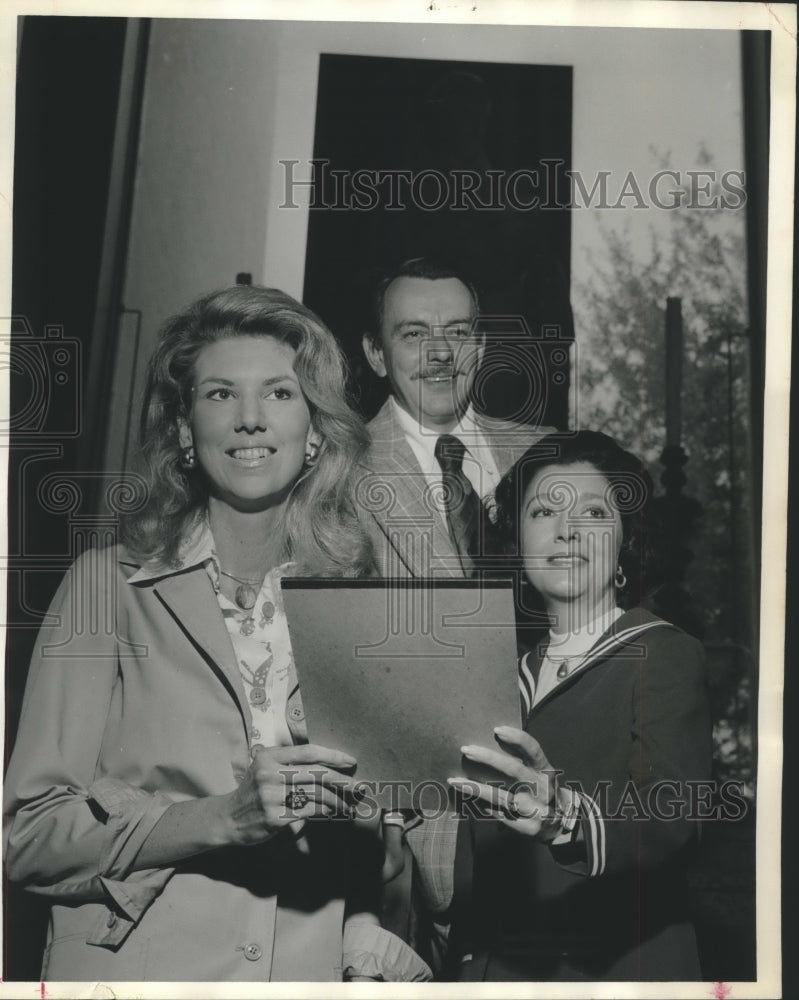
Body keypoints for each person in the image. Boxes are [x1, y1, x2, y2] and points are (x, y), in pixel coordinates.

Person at [3, 286, 430, 983]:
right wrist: (218, 818)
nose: (252, 420)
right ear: (182, 428)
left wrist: (375, 862)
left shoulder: (359, 609)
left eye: (280, 395)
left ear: (316, 429)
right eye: (221, 394)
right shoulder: (106, 586)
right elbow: (29, 838)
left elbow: (389, 864)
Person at [442, 430, 712, 980]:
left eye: (592, 512)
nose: (566, 531)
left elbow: (676, 817)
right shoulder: (495, 674)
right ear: (517, 543)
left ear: (624, 542)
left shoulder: (662, 653)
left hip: (619, 968)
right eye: (543, 511)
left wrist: (567, 818)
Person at [360, 257, 551, 578]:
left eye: (459, 332)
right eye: (413, 334)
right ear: (376, 355)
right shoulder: (339, 470)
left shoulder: (545, 450)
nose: (442, 353)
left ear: (480, 346)